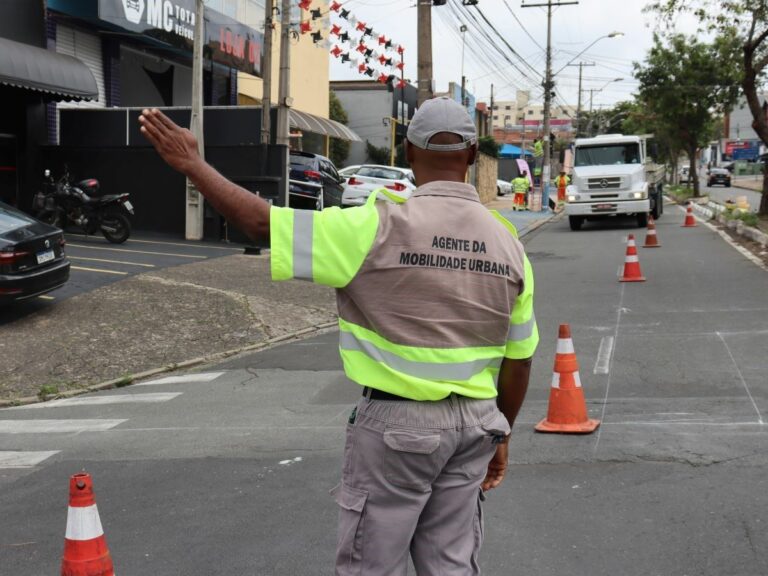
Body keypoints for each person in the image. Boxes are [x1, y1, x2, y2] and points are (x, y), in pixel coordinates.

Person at [138, 96, 538, 576]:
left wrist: (192, 165)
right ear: (473, 155)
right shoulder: (508, 245)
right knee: (452, 565)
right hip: (476, 425)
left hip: (396, 428)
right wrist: (503, 433)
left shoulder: (374, 226)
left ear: (407, 153)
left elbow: (262, 222)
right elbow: (520, 360)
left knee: (372, 566)